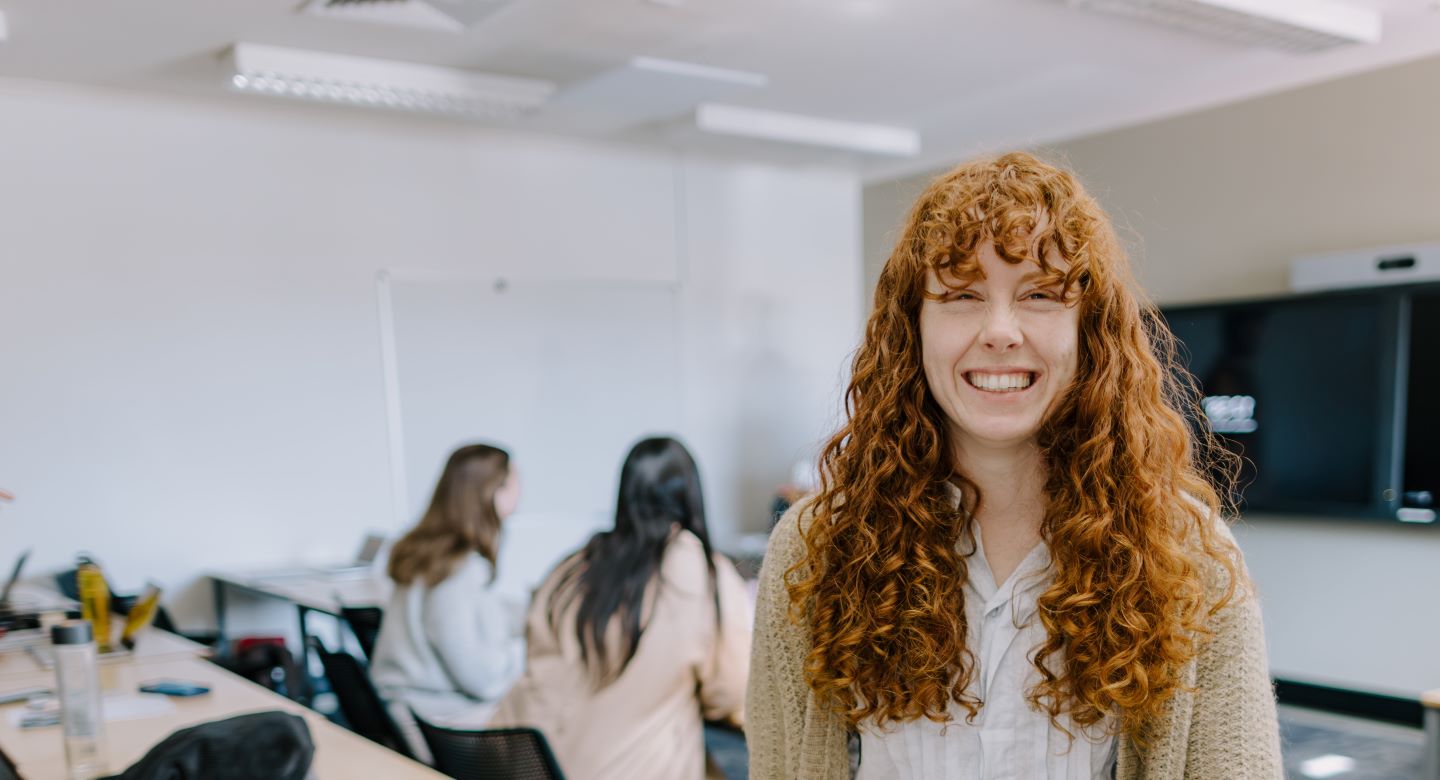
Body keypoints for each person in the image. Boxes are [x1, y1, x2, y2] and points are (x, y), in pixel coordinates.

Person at [746, 152, 1282, 779]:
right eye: (962, 295)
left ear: (1091, 330)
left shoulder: (1187, 556)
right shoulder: (817, 548)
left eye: (1039, 295)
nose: (1000, 330)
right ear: (911, 328)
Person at [490, 436, 751, 780]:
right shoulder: (698, 568)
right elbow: (734, 691)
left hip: (538, 766)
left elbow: (536, 660)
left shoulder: (573, 567)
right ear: (689, 495)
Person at [370, 443, 523, 757]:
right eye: (515, 481)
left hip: (409, 707)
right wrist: (520, 651)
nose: (522, 492)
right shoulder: (460, 570)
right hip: (444, 721)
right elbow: (484, 680)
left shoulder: (426, 552)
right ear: (493, 491)